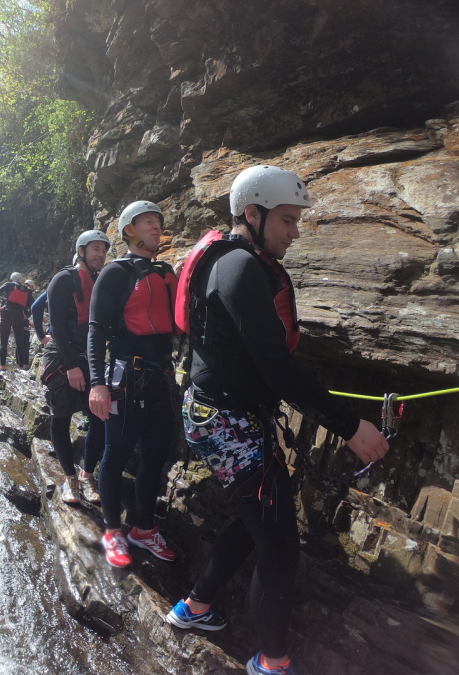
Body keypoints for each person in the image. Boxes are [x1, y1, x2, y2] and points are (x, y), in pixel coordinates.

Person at [167, 165, 390, 675]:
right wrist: (350, 425)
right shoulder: (240, 269)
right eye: (288, 220)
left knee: (258, 522)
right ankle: (272, 663)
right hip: (227, 424)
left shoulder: (230, 260)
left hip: (219, 415)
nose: (295, 230)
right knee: (280, 545)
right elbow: (278, 367)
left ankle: (195, 607)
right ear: (253, 214)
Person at [88, 201, 179, 568]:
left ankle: (143, 528)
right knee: (116, 455)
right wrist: (97, 383)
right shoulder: (115, 274)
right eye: (147, 222)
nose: (156, 227)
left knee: (156, 455)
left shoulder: (165, 271)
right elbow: (95, 331)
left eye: (158, 222)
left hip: (161, 376)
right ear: (129, 230)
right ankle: (112, 530)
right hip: (125, 377)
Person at [40, 230, 111, 503]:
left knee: (99, 418)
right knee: (62, 416)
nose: (100, 255)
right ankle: (69, 479)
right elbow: (56, 325)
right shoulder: (63, 279)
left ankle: (86, 473)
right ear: (81, 251)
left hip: (90, 357)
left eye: (103, 250)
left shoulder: (101, 280)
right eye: (95, 249)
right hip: (62, 357)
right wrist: (71, 366)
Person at [0, 272, 33, 372]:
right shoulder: (27, 290)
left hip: (7, 313)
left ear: (12, 278)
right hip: (19, 315)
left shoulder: (8, 284)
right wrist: (27, 315)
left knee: (4, 342)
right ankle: (21, 367)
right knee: (19, 342)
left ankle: (3, 366)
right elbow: (33, 304)